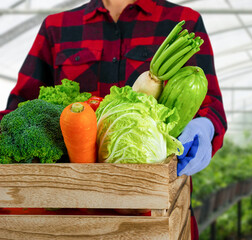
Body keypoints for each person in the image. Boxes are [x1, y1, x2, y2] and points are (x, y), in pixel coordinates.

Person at [0, 0, 227, 238]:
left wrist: (206, 127)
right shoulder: (57, 27)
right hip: (73, 217)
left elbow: (210, 104)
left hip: (156, 212)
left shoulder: (183, 21)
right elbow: (21, 105)